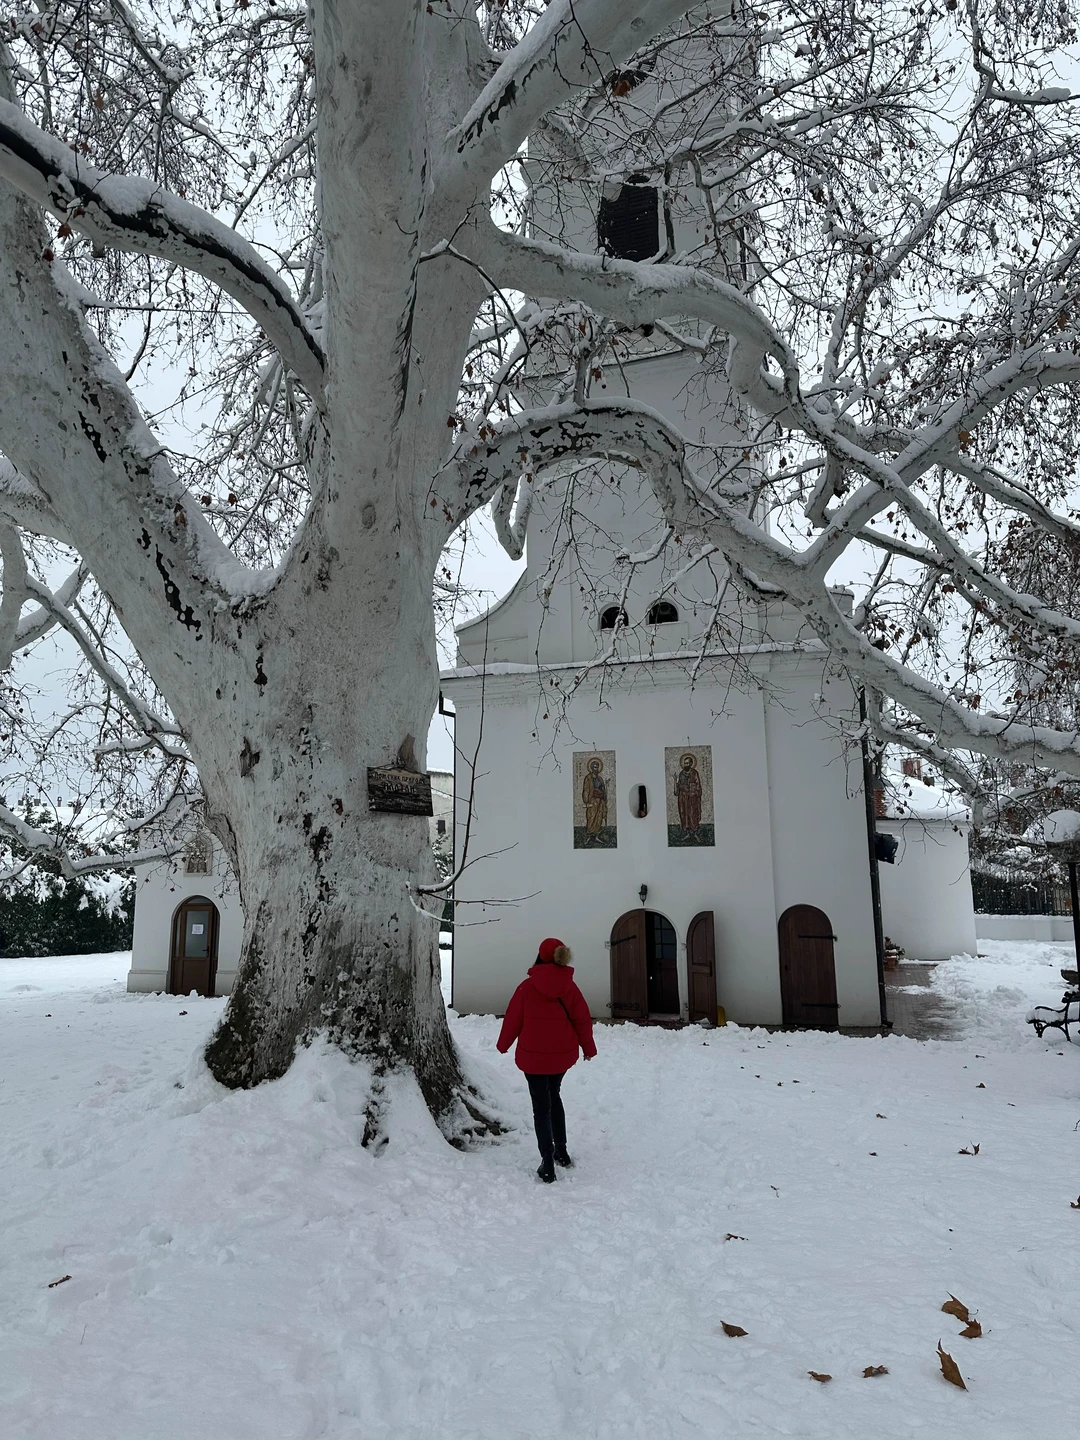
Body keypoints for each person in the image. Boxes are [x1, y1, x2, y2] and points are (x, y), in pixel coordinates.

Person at [496, 937, 597, 1183]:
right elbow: (582, 1018)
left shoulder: (526, 988)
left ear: (540, 956)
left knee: (541, 1106)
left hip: (533, 1059)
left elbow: (513, 1019)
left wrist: (503, 1044)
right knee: (555, 1096)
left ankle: (547, 1161)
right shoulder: (570, 988)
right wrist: (588, 1047)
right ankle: (561, 1150)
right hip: (561, 1057)